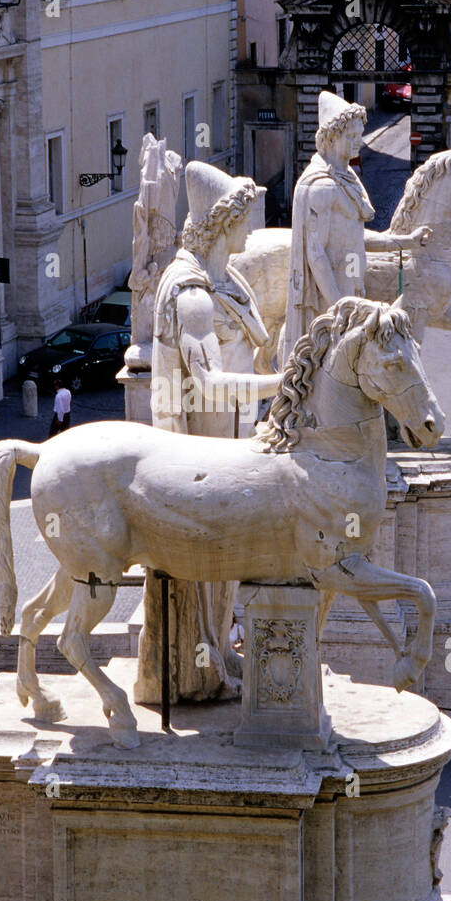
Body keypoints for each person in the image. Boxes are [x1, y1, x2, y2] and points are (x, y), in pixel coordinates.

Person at [141, 162, 281, 703]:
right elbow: (213, 384)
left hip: (232, 440)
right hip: (202, 451)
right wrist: (282, 382)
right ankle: (198, 667)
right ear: (223, 222)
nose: (251, 228)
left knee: (230, 562)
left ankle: (218, 651)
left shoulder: (230, 280)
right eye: (245, 217)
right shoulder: (193, 294)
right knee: (214, 561)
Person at [284, 91, 431, 361]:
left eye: (359, 135)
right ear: (331, 137)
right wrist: (341, 307)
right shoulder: (322, 186)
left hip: (352, 285)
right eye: (350, 137)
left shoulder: (346, 177)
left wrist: (407, 241)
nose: (359, 143)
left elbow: (354, 237)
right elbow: (316, 255)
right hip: (333, 297)